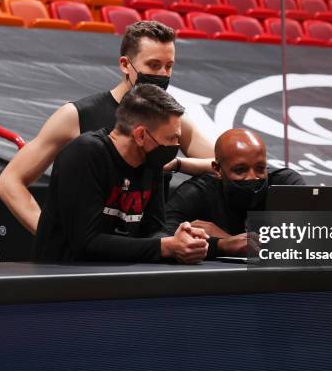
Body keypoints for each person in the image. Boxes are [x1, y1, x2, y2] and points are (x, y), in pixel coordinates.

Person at [0, 21, 215, 235]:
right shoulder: (76, 115)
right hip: (84, 256)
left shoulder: (172, 120)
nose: (163, 75)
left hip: (139, 255)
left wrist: (176, 164)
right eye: (153, 65)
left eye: (169, 66)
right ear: (124, 64)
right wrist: (49, 234)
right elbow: (9, 182)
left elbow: (225, 164)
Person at [35, 84, 209, 264]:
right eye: (172, 138)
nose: (176, 146)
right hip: (64, 279)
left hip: (122, 276)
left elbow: (154, 229)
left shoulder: (152, 160)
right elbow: (86, 243)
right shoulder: (85, 154)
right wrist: (165, 246)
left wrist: (180, 240)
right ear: (141, 135)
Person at [165, 128, 305, 259]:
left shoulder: (286, 184)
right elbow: (164, 237)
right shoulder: (198, 191)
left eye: (260, 168)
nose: (252, 177)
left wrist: (226, 239)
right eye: (240, 170)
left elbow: (313, 239)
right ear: (217, 169)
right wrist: (221, 245)